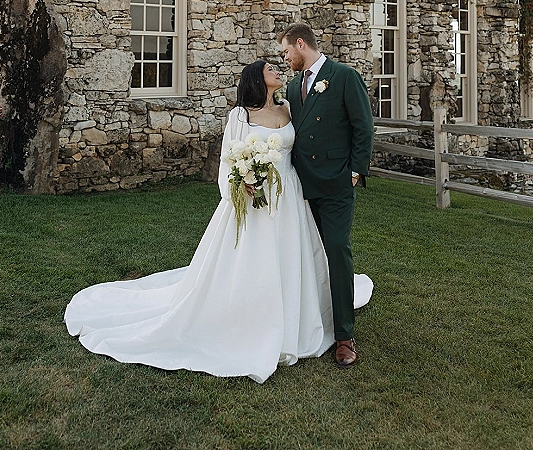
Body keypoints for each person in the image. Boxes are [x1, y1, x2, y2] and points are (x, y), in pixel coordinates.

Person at [64, 60, 373, 383]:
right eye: (270, 68)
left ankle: (298, 316)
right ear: (256, 78)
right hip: (254, 198)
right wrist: (242, 183)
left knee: (292, 256)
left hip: (290, 193)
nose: (278, 70)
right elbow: (230, 158)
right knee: (253, 260)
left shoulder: (287, 107)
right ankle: (248, 319)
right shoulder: (240, 115)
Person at [279, 23, 374, 368]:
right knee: (307, 253)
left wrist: (354, 172)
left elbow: (363, 126)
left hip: (335, 184)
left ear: (301, 44)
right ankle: (311, 319)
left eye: (286, 51)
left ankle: (344, 335)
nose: (285, 58)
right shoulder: (292, 87)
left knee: (336, 250)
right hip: (302, 187)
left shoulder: (344, 76)